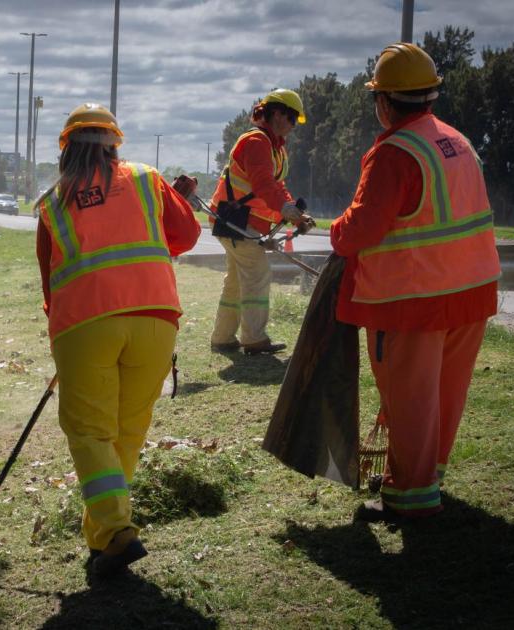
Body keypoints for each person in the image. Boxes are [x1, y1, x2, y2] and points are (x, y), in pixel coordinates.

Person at [330, 43, 501, 521]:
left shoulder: (394, 152)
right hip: (471, 291)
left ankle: (410, 495)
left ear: (384, 102)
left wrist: (337, 233)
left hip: (414, 300)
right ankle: (431, 474)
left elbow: (362, 228)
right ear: (429, 96)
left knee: (410, 398)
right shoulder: (457, 141)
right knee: (446, 392)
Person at [35, 103, 201, 577]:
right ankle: (104, 534)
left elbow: (52, 283)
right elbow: (186, 234)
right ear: (114, 144)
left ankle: (114, 531)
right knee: (126, 431)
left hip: (85, 326)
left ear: (66, 150)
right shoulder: (148, 178)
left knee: (91, 431)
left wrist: (66, 333)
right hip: (155, 317)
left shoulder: (52, 203)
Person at [208, 89, 312, 355]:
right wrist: (286, 209)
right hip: (236, 221)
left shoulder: (273, 145)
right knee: (257, 274)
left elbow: (277, 186)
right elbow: (263, 184)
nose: (292, 127)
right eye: (291, 119)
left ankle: (222, 338)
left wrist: (294, 215)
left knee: (235, 281)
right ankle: (253, 339)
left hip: (236, 220)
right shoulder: (257, 141)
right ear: (277, 114)